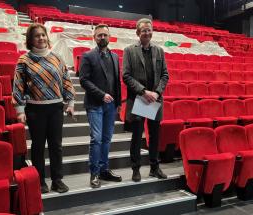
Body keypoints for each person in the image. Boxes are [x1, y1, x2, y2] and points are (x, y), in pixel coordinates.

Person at [12, 23, 75, 193]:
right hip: (35, 110)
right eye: (36, 36)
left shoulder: (57, 58)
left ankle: (57, 180)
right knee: (38, 146)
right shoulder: (24, 60)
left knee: (56, 145)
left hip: (55, 108)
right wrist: (20, 110)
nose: (41, 38)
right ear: (30, 40)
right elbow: (18, 86)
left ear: (47, 37)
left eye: (43, 35)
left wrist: (70, 103)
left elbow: (67, 81)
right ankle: (39, 182)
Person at [123, 18, 169, 182]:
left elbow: (165, 75)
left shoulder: (159, 51)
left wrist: (156, 92)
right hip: (140, 99)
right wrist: (144, 92)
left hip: (154, 99)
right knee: (137, 136)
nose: (147, 33)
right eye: (144, 30)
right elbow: (126, 76)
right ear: (138, 32)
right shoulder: (129, 50)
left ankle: (154, 168)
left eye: (149, 30)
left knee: (155, 136)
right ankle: (136, 169)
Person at [79, 24, 122, 188]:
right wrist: (101, 94)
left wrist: (118, 102)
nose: (102, 37)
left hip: (110, 106)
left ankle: (104, 170)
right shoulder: (88, 56)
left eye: (105, 35)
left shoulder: (115, 57)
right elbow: (83, 80)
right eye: (99, 35)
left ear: (109, 37)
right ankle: (94, 173)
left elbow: (117, 81)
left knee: (106, 139)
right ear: (94, 37)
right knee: (96, 140)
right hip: (95, 104)